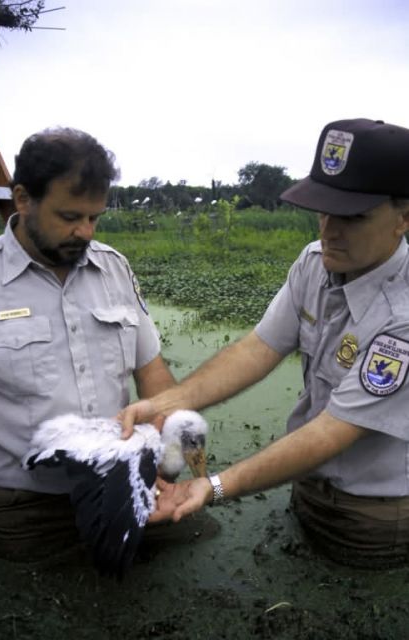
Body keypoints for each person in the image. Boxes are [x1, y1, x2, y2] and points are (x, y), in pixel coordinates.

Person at [120, 118, 409, 568]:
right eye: (323, 209)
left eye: (353, 216)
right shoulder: (314, 263)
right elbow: (257, 348)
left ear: (403, 217)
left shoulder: (404, 315)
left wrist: (212, 486)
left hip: (369, 516)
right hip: (302, 482)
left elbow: (334, 430)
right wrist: (167, 402)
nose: (329, 230)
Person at [0, 127, 176, 561]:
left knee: (198, 536)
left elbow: (153, 374)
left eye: (94, 218)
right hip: (22, 503)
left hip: (121, 482)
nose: (85, 233)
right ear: (23, 199)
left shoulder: (114, 269)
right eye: (70, 217)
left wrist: (164, 463)